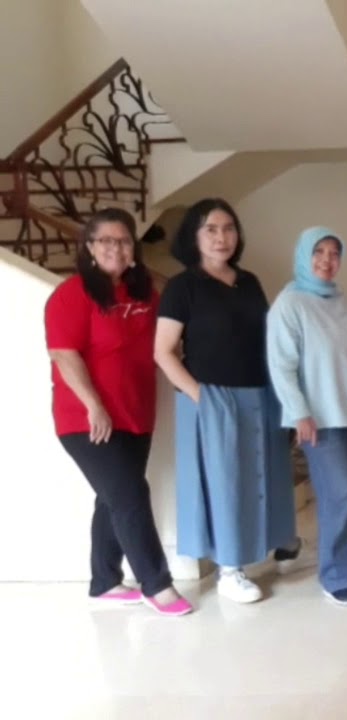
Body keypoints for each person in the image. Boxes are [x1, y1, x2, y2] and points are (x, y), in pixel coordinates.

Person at [45, 209, 192, 617]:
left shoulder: (145, 295)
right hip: (86, 419)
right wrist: (94, 405)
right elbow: (64, 354)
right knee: (130, 495)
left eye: (124, 240)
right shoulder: (71, 294)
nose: (116, 248)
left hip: (136, 414)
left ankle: (104, 581)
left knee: (113, 498)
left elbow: (166, 342)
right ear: (90, 248)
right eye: (106, 240)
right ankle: (157, 584)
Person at [155, 199, 303, 604]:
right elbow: (163, 352)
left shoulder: (249, 281)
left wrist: (285, 395)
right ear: (194, 236)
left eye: (229, 228)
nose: (222, 237)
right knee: (226, 483)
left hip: (260, 393)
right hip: (212, 396)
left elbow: (266, 340)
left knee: (268, 474)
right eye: (211, 229)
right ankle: (230, 570)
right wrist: (201, 397)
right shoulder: (182, 287)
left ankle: (280, 543)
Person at [267, 227, 347, 606]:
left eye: (334, 253)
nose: (327, 260)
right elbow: (282, 365)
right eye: (319, 252)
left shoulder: (343, 302)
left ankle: (344, 556)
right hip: (319, 417)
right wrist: (299, 413)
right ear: (304, 255)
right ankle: (335, 573)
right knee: (341, 490)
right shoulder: (290, 303)